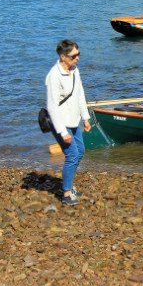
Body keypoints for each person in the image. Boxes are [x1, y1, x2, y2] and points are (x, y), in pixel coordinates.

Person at [45, 39, 91, 205]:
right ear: (62, 56)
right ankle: (66, 194)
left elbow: (80, 94)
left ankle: (68, 185)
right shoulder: (54, 76)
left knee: (80, 151)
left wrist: (85, 118)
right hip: (60, 123)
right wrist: (63, 132)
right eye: (73, 56)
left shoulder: (74, 70)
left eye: (78, 55)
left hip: (73, 120)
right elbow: (52, 107)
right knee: (72, 155)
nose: (77, 58)